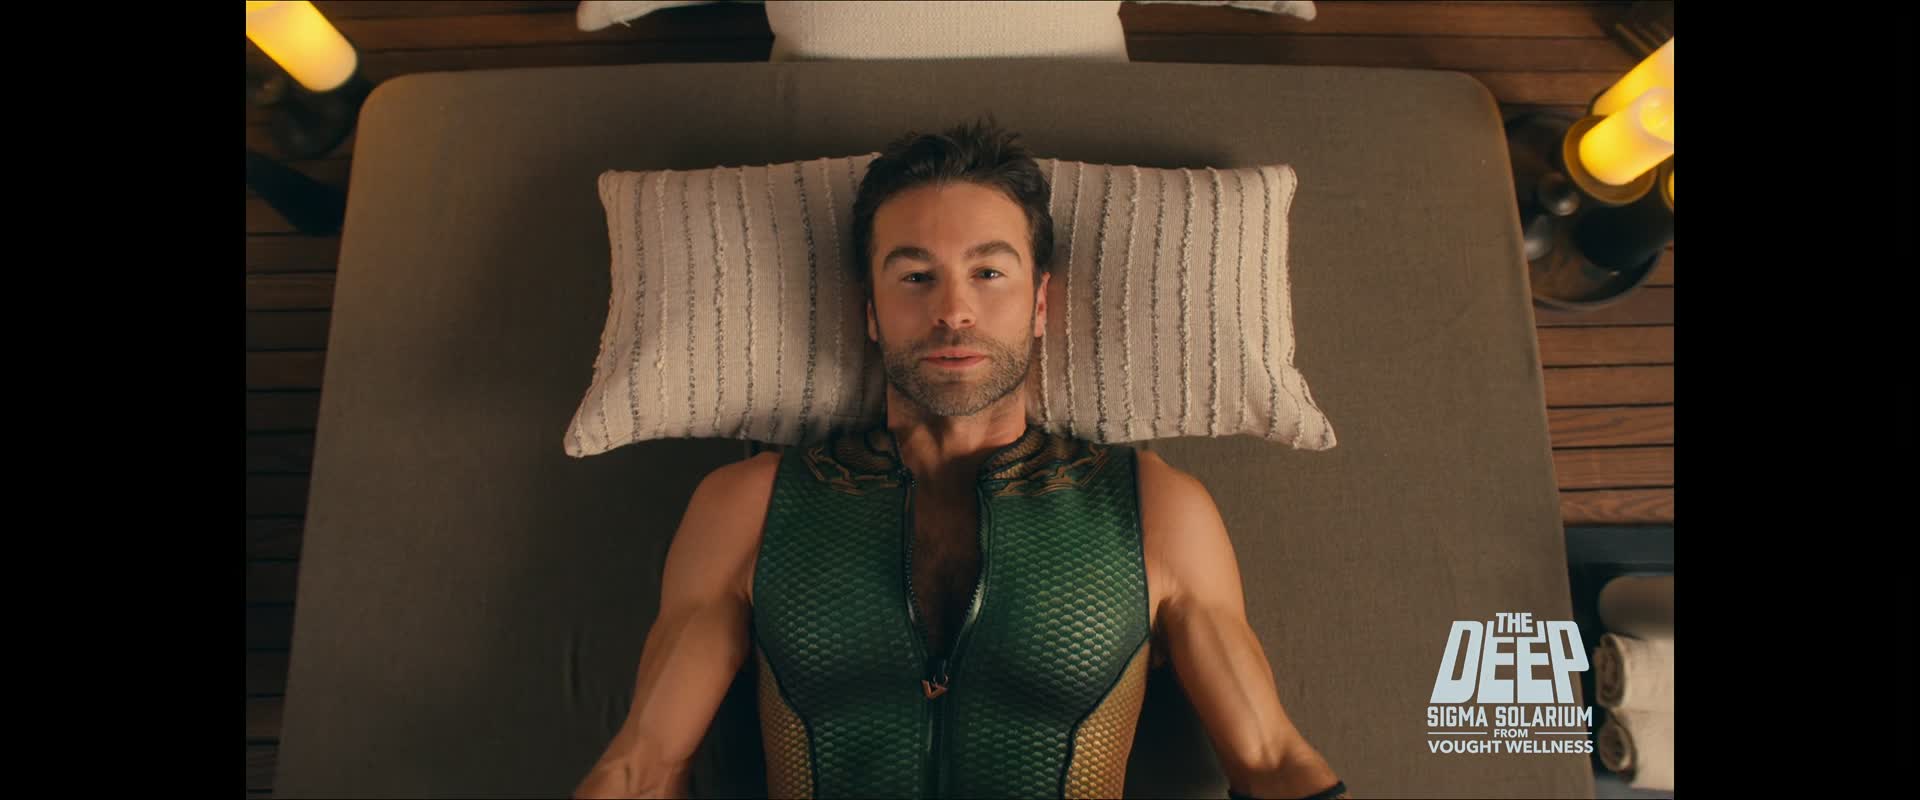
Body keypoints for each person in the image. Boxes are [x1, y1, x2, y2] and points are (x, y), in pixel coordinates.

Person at [575, 117, 1346, 800]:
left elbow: (1271, 760)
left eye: (988, 272)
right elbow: (642, 770)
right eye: (916, 276)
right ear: (871, 312)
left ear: (1038, 304)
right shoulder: (749, 507)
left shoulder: (1153, 510)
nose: (953, 310)